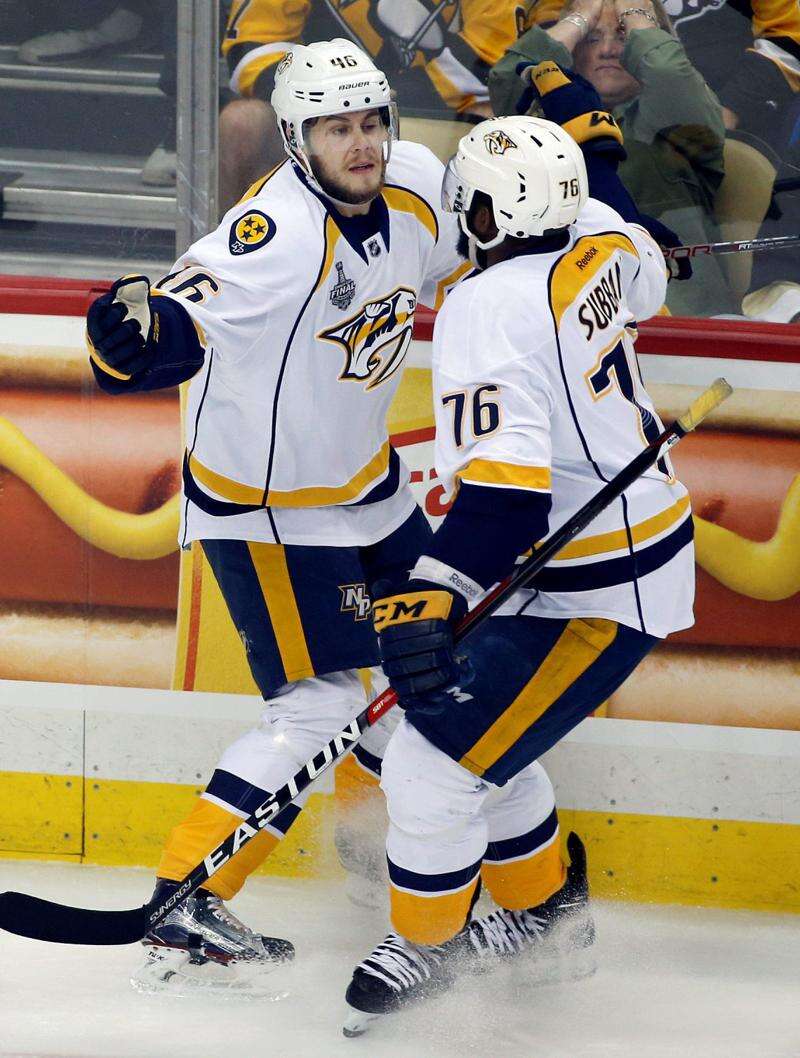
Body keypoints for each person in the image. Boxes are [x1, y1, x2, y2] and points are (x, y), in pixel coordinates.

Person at [85, 37, 471, 992]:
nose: (362, 142)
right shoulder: (277, 236)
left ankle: (380, 849)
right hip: (267, 512)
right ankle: (188, 899)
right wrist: (132, 344)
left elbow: (502, 234)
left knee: (432, 676)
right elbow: (178, 320)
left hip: (372, 489)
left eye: (372, 120)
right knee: (325, 701)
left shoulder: (418, 181)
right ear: (299, 141)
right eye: (337, 127)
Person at [343, 113, 695, 1034]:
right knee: (477, 743)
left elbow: (505, 500)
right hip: (587, 554)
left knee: (430, 764)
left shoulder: (485, 309)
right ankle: (546, 919)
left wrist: (429, 591)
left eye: (471, 195)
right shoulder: (602, 240)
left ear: (493, 213)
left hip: (599, 586)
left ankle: (430, 944)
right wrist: (605, 150)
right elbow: (645, 257)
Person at [488, 0, 737, 317]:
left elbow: (667, 71)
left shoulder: (678, 114)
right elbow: (507, 82)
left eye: (623, 36)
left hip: (678, 323)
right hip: (564, 316)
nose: (608, 50)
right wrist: (580, 16)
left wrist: (635, 11)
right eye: (592, 38)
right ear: (573, 51)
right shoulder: (547, 125)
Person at [216, 0, 527, 208]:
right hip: (325, 112)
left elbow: (488, 62)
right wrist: (333, 98)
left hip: (446, 114)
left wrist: (375, 97)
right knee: (243, 122)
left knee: (497, 119)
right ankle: (240, 265)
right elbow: (253, 51)